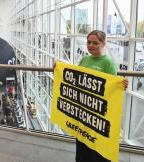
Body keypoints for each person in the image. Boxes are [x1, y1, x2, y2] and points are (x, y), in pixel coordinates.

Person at [55, 30, 128, 162]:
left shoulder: (108, 63)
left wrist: (120, 85)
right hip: (84, 115)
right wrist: (59, 68)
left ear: (103, 43)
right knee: (83, 147)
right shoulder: (84, 59)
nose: (91, 45)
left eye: (95, 42)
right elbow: (76, 79)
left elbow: (112, 88)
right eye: (89, 42)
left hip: (97, 116)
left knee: (97, 151)